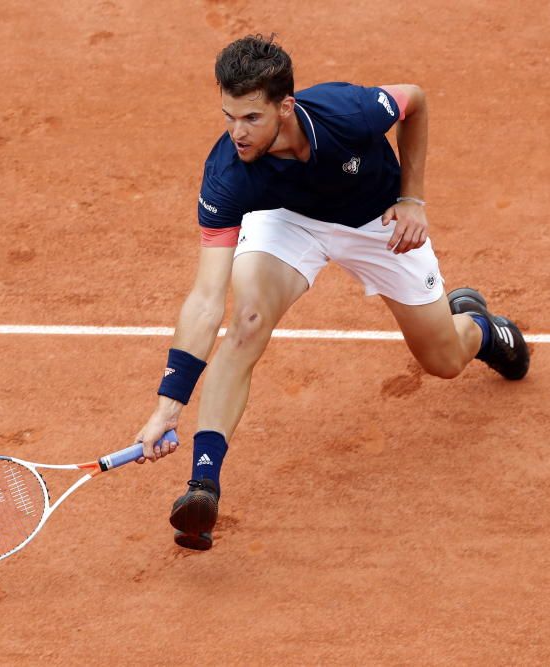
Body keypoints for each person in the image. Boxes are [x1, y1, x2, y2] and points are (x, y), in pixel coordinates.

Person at [134, 34, 529, 551]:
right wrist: (168, 405)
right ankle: (203, 485)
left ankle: (478, 325)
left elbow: (416, 98)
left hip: (376, 220)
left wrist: (412, 197)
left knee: (444, 360)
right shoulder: (228, 175)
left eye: (251, 117)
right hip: (288, 220)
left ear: (286, 106)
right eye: (229, 116)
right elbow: (207, 298)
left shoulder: (347, 111)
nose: (237, 132)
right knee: (246, 321)